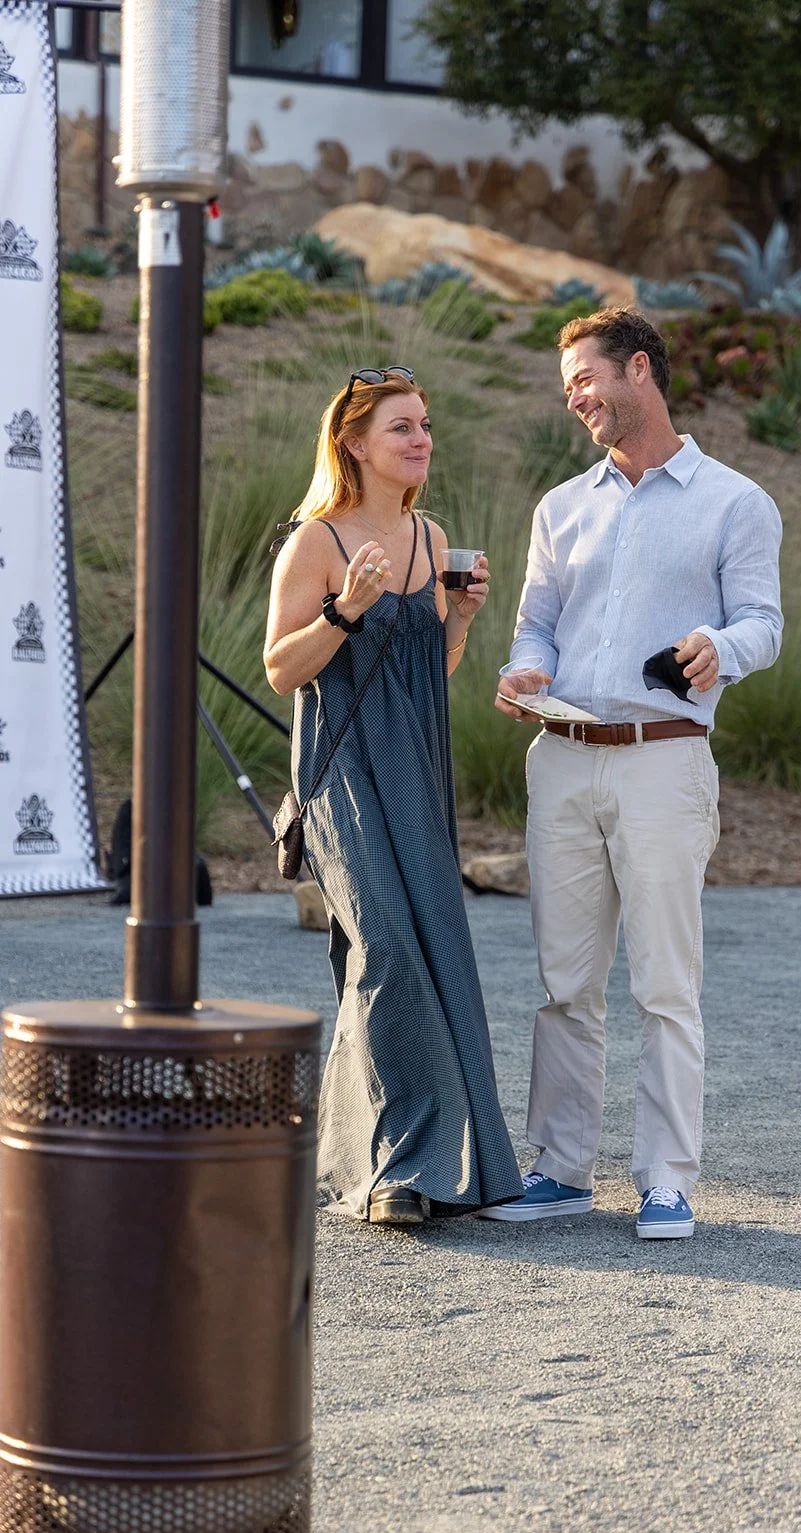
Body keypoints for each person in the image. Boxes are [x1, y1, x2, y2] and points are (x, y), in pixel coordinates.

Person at [481, 310, 783, 1241]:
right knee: (564, 982)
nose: (574, 397)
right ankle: (561, 1170)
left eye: (584, 378)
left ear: (638, 370)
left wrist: (716, 648)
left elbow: (763, 625)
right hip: (562, 761)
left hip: (664, 764)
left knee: (663, 984)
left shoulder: (735, 501)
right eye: (565, 385)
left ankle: (664, 1180)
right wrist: (523, 668)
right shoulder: (560, 506)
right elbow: (535, 624)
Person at [264, 367, 522, 1226]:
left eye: (424, 425)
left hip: (414, 765)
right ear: (354, 443)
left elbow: (423, 678)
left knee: (433, 948)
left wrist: (458, 623)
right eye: (402, 429)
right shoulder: (316, 541)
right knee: (383, 948)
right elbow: (279, 671)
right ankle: (400, 1168)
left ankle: (400, 1159)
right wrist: (343, 611)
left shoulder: (427, 534)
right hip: (339, 774)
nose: (421, 441)